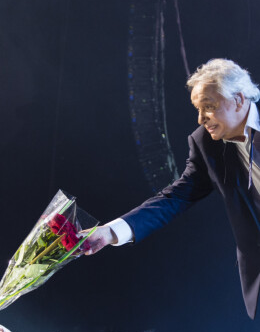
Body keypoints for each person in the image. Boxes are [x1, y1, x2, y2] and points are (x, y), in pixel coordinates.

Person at [85, 58, 260, 318]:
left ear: (238, 100)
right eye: (198, 109)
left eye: (208, 107)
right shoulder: (205, 143)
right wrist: (110, 232)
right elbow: (176, 196)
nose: (201, 119)